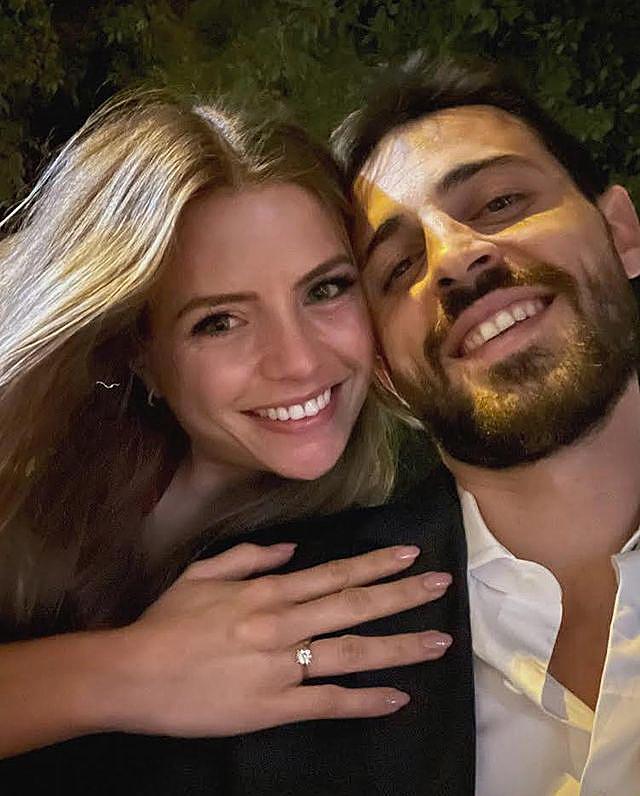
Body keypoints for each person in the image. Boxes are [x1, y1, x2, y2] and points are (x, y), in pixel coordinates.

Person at [0, 89, 461, 771]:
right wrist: (126, 671)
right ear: (139, 353)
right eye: (219, 322)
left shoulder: (362, 529)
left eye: (325, 289)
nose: (299, 362)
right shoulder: (21, 480)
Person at [336, 55, 640, 795]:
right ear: (382, 372)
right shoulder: (306, 646)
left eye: (501, 201)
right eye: (398, 266)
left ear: (622, 233)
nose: (455, 258)